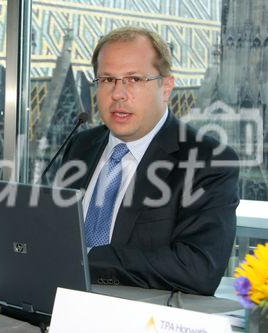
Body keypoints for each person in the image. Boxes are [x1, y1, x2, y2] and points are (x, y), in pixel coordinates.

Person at [60, 26, 239, 295]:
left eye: (133, 79)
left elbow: (198, 268)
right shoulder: (80, 146)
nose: (118, 94)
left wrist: (86, 257)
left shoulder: (207, 160)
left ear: (166, 87)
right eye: (107, 79)